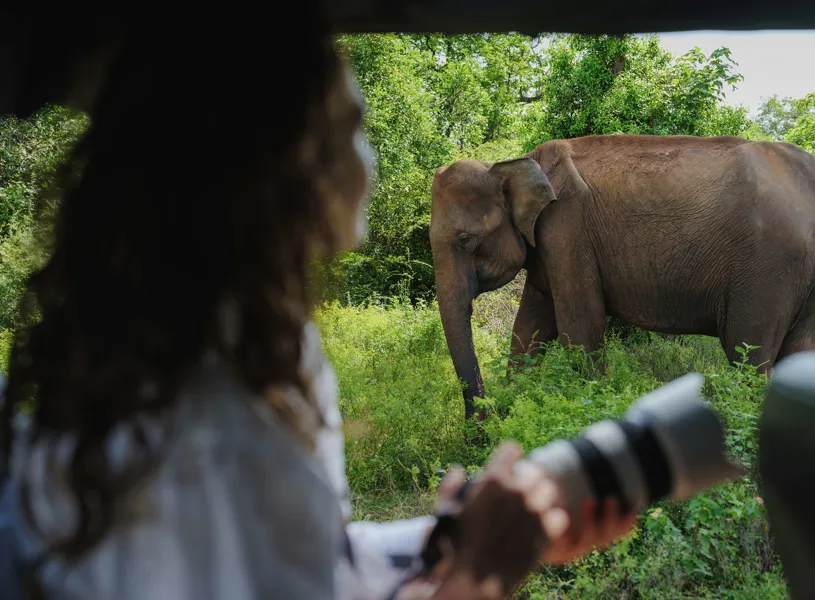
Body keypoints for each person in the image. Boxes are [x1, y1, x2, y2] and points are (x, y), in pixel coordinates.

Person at [0, 16, 636, 600]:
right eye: (353, 124)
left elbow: (307, 560)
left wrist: (446, 536)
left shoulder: (255, 338)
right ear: (277, 154)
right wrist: (474, 577)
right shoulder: (211, 394)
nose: (368, 157)